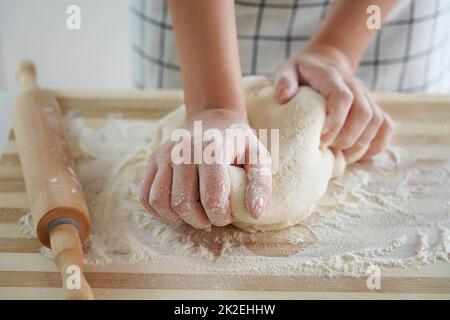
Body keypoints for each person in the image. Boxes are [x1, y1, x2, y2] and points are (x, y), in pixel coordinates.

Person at [135, 0, 450, 229]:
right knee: (196, 160)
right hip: (201, 25)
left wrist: (336, 50)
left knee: (345, 116)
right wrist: (212, 105)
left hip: (376, 18)